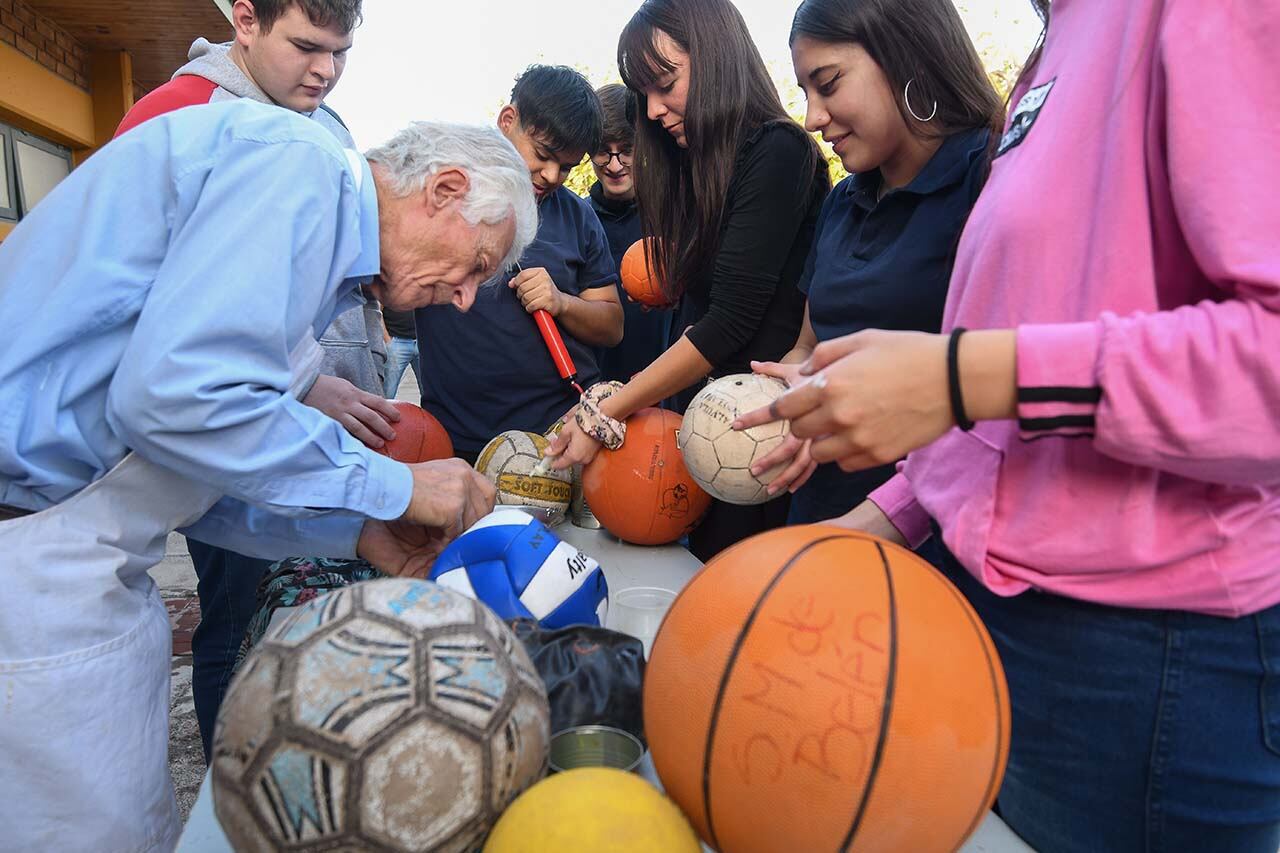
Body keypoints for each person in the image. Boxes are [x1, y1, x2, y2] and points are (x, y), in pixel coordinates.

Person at [739, 0, 1280, 850]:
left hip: (1151, 656)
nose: (814, 115)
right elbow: (994, 420)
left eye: (827, 82)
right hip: (1000, 624)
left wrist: (956, 377)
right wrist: (865, 526)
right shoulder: (1061, 38)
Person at [0, 101, 535, 850]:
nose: (467, 295)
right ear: (444, 189)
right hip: (31, 566)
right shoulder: (299, 169)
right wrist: (399, 487)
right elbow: (174, 398)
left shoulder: (307, 234)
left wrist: (356, 528)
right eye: (478, 264)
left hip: (73, 557)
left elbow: (192, 471)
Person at [114, 0, 402, 764]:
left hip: (286, 427)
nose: (326, 71)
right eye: (307, 46)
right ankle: (225, 777)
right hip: (178, 449)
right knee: (235, 617)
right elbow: (182, 327)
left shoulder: (324, 126)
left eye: (342, 52)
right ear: (245, 19)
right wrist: (307, 381)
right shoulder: (177, 113)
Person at [545, 0, 829, 561]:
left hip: (756, 435)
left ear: (717, 57)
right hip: (700, 429)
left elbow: (729, 323)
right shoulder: (699, 169)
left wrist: (606, 409)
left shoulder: (779, 150)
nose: (651, 111)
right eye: (641, 94)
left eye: (665, 82)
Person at [747, 0, 1003, 526]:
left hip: (932, 527)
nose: (813, 118)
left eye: (829, 83)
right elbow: (808, 345)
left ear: (905, 57)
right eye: (805, 94)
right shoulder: (842, 201)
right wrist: (792, 390)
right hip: (819, 506)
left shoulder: (993, 180)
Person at [417, 65, 622, 461]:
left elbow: (612, 325)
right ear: (508, 121)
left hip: (560, 439)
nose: (551, 175)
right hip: (458, 444)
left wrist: (561, 302)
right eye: (543, 155)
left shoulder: (578, 217)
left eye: (567, 167)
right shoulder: (440, 196)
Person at [589, 83, 673, 384]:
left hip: (667, 384)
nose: (614, 165)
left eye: (626, 150)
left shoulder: (675, 215)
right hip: (595, 390)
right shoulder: (579, 222)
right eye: (602, 151)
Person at [382, 305, 423, 398]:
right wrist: (387, 340)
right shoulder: (388, 290)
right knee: (388, 392)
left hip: (422, 342)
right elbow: (378, 310)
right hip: (397, 343)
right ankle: (385, 413)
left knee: (429, 392)